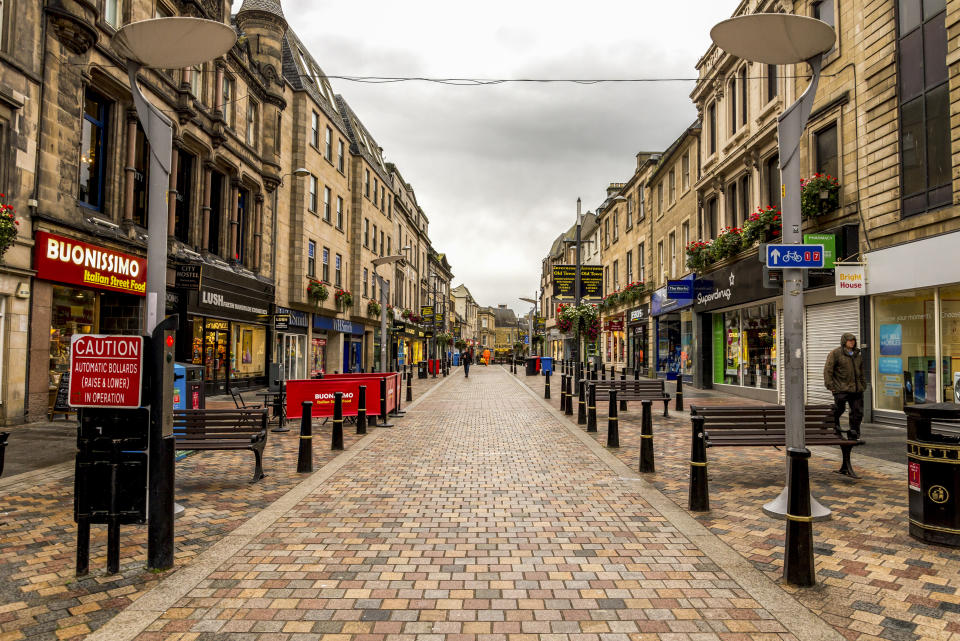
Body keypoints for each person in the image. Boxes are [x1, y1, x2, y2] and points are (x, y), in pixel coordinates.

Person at [823, 332, 866, 439]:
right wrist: (831, 386)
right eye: (849, 340)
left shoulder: (857, 354)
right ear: (844, 341)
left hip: (856, 390)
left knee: (857, 413)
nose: (852, 342)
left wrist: (863, 385)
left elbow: (861, 372)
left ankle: (854, 434)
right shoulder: (835, 354)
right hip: (840, 389)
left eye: (853, 340)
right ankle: (835, 429)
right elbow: (828, 371)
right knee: (839, 410)